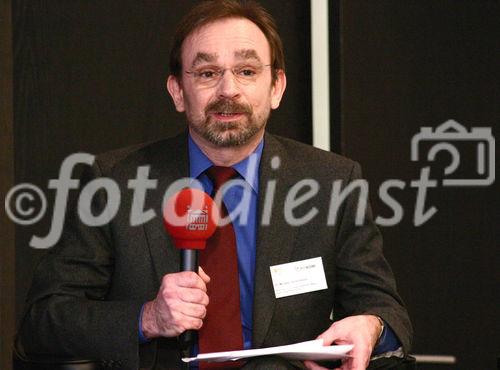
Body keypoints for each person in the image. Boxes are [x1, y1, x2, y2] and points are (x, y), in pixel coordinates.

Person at [16, 1, 412, 369]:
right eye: (207, 73)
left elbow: (382, 307)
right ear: (177, 92)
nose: (228, 91)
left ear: (276, 87)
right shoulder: (113, 181)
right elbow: (44, 321)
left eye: (246, 71)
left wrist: (370, 325)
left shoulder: (332, 183)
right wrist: (148, 317)